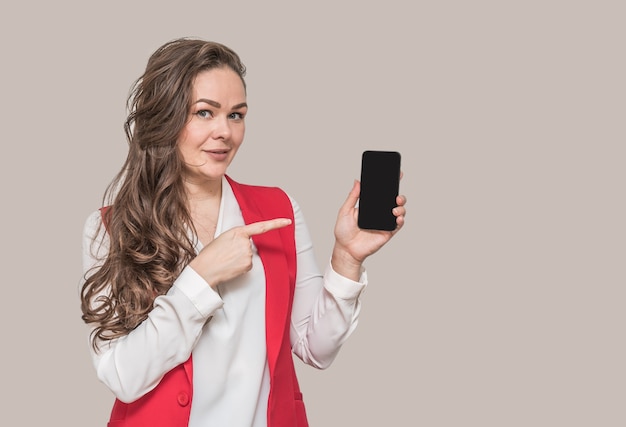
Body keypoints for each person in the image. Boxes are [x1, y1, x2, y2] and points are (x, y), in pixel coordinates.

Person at [80, 37, 406, 427]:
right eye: (204, 113)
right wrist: (200, 278)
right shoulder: (110, 228)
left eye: (236, 115)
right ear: (165, 117)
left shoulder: (279, 209)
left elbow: (316, 348)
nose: (225, 132)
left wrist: (347, 258)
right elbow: (123, 377)